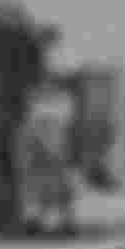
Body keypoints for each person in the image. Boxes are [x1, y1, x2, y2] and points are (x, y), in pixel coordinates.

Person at [14, 82, 77, 236]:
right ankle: (41, 222)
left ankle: (51, 222)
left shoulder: (50, 123)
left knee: (52, 192)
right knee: (41, 193)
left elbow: (60, 149)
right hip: (41, 167)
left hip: (48, 167)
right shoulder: (35, 126)